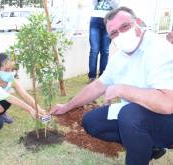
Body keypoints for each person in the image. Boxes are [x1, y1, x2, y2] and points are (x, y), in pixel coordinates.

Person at [50, 7, 173, 165]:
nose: (120, 34)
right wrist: (67, 106)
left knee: (130, 113)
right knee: (92, 121)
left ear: (138, 23)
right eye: (114, 33)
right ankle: (149, 145)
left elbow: (168, 103)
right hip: (143, 116)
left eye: (125, 27)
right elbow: (97, 86)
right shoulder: (119, 58)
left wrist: (122, 89)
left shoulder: (160, 49)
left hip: (168, 118)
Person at [0, 52, 47, 123]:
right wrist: (30, 109)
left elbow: (25, 95)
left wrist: (39, 109)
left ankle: (2, 114)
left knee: (6, 101)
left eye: (11, 70)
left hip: (2, 100)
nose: (10, 72)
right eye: (6, 70)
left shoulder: (11, 81)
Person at [88, 0, 119, 82]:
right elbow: (94, 4)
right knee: (94, 50)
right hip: (95, 20)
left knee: (105, 50)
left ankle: (103, 76)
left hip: (109, 21)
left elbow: (116, 6)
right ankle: (92, 77)